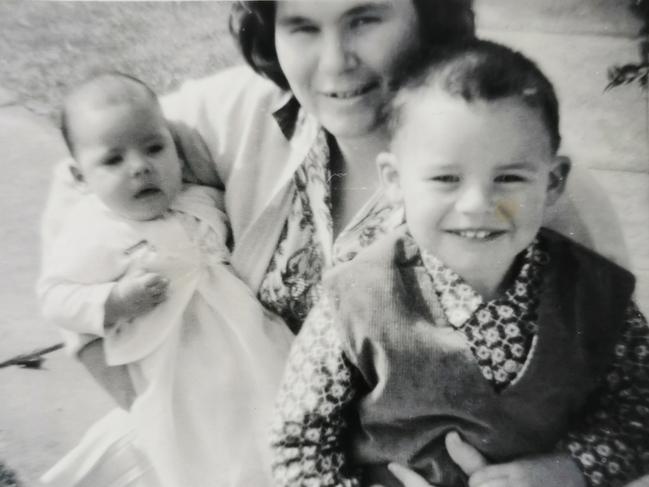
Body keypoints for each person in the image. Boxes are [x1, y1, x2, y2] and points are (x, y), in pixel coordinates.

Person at [40, 1, 636, 485]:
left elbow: (618, 395)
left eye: (364, 19)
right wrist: (142, 389)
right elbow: (90, 156)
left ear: (425, 15)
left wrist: (562, 470)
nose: (334, 64)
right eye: (302, 26)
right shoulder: (245, 112)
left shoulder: (533, 185)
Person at [269, 40, 649, 487]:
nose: (476, 204)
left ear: (552, 181)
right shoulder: (353, 299)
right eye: (446, 179)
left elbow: (638, 409)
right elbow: (299, 443)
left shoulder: (594, 291)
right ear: (395, 180)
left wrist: (568, 469)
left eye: (508, 177)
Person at [38, 73, 292, 487]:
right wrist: (113, 300)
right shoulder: (93, 231)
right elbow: (55, 296)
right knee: (208, 457)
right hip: (177, 372)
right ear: (81, 178)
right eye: (113, 160)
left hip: (250, 344)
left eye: (155, 148)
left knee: (276, 425)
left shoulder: (201, 201)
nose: (140, 167)